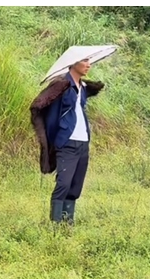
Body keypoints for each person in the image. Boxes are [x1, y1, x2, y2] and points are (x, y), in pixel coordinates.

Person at [30, 58, 105, 225]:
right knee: (63, 184)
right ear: (73, 63)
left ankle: (67, 225)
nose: (88, 64)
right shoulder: (61, 85)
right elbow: (39, 105)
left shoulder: (83, 87)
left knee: (75, 186)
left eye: (89, 61)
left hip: (83, 142)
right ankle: (55, 226)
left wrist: (93, 87)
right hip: (67, 142)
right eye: (84, 61)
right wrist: (53, 136)